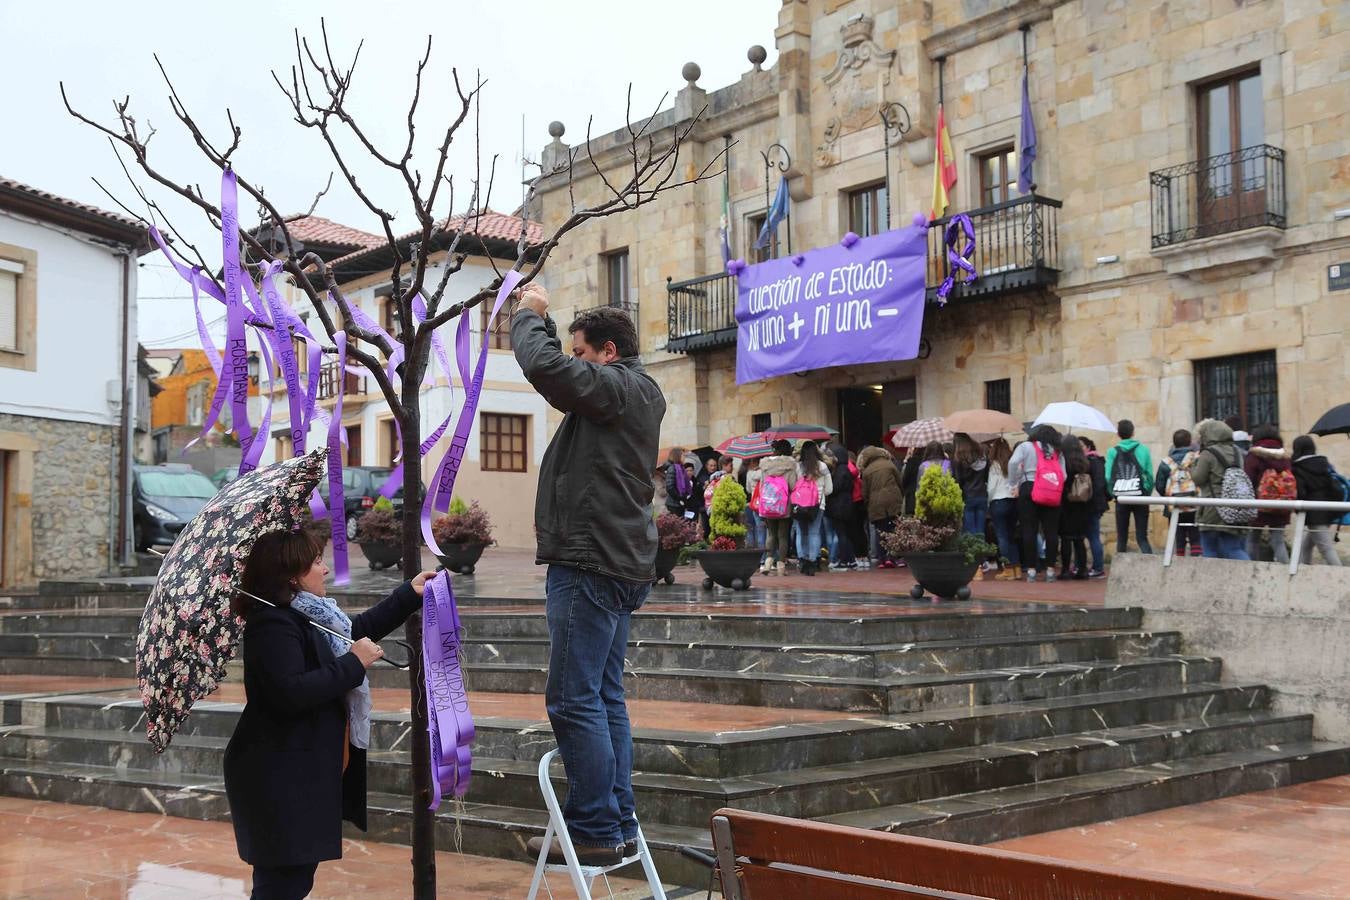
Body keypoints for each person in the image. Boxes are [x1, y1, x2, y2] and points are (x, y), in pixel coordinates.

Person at [512, 290, 665, 865]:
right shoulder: (629, 395)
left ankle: (595, 827)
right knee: (603, 697)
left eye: (581, 353)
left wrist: (531, 316)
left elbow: (544, 367)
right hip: (615, 559)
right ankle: (616, 821)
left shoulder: (621, 387)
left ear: (608, 352)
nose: (573, 362)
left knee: (574, 698)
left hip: (590, 561)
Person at [224, 529, 433, 900]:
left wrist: (409, 594)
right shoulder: (272, 624)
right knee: (282, 883)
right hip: (277, 776)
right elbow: (289, 692)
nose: (325, 570)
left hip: (299, 770)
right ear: (292, 574)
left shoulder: (305, 614)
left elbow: (354, 631)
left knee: (293, 879)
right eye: (317, 562)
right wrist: (354, 664)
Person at [1009, 424, 1065, 582]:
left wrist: (1014, 483)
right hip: (1051, 489)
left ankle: (1032, 570)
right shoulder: (1057, 450)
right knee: (1051, 532)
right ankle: (1050, 570)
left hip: (1029, 488)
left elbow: (1013, 463)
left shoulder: (1026, 446)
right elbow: (1064, 474)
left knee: (1029, 530)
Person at [1191, 419, 1251, 560]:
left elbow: (1198, 479)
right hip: (1233, 507)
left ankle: (1211, 580)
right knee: (1233, 548)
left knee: (1209, 548)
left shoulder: (1207, 454)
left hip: (1212, 508)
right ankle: (1249, 574)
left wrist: (1194, 465)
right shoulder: (1236, 451)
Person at [1291, 435, 1344, 566]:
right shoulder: (1324, 464)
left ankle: (1343, 579)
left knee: (1326, 549)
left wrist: (1297, 508)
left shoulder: (1298, 467)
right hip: (1328, 510)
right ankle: (1304, 573)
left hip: (1314, 514)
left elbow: (1301, 492)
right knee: (1305, 546)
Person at [1243, 424, 1292, 563]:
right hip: (1281, 503)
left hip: (1259, 503)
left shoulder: (1254, 455)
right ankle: (1286, 573)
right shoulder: (1285, 456)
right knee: (1278, 541)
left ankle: (1251, 571)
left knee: (1253, 539)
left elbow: (1248, 479)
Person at [1105, 420, 1154, 555]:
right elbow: (1150, 476)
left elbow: (1108, 477)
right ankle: (1149, 565)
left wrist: (1114, 493)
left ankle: (1120, 569)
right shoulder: (1143, 450)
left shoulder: (1112, 452)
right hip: (1140, 496)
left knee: (1122, 538)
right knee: (1142, 537)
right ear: (1133, 432)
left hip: (1122, 497)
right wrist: (1146, 492)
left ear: (1118, 434)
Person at [1154, 430, 1201, 558]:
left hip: (1174, 505)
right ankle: (1196, 563)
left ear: (1174, 443)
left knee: (1178, 536)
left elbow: (1159, 485)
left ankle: (1179, 562)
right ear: (1190, 442)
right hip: (1194, 503)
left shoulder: (1166, 462)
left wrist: (1169, 496)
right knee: (1195, 536)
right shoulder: (1196, 458)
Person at [758, 439, 799, 575]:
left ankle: (768, 563)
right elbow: (793, 486)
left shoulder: (765, 465)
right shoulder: (790, 465)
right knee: (783, 536)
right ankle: (781, 566)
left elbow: (763, 484)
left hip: (768, 504)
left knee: (771, 534)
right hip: (784, 506)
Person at [859, 445, 904, 569]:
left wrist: (867, 503)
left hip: (876, 503)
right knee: (895, 529)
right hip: (893, 500)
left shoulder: (867, 471)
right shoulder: (889, 464)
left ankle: (883, 558)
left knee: (881, 531)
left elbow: (865, 493)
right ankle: (895, 557)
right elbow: (899, 481)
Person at [1058, 436, 1097, 579]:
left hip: (1067, 504)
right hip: (1083, 504)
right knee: (1079, 539)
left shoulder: (1063, 462)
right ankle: (1082, 569)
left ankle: (1066, 569)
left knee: (1066, 539)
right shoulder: (1085, 462)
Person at [793, 440, 833, 576]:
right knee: (814, 533)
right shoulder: (822, 466)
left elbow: (794, 486)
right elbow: (829, 490)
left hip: (799, 505)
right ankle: (812, 561)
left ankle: (802, 560)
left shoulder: (798, 467)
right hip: (817, 505)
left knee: (800, 532)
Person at [985, 438, 1021, 580]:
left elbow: (992, 487)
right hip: (1013, 501)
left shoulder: (994, 465)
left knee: (1002, 536)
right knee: (1011, 536)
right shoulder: (1014, 463)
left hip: (998, 501)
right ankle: (1017, 568)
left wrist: (988, 501)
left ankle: (1007, 569)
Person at [824, 439, 857, 569]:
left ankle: (844, 559)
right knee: (844, 533)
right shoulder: (845, 469)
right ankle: (850, 559)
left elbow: (835, 488)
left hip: (839, 505)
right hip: (845, 504)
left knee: (841, 533)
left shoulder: (840, 471)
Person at [1079, 437, 1109, 576]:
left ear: (1089, 447)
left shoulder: (1092, 462)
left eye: (1082, 446)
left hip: (1092, 505)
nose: (1080, 449)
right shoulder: (1097, 461)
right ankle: (1093, 566)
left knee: (1093, 536)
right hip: (1094, 504)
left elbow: (1098, 484)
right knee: (1090, 536)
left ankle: (1098, 568)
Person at [951, 433, 989, 538]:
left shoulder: (959, 458)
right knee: (981, 529)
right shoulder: (982, 455)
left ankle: (973, 552)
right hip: (982, 494)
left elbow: (958, 480)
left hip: (968, 496)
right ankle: (982, 551)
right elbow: (986, 475)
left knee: (970, 530)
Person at [741, 456, 766, 552]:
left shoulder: (749, 473)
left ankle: (759, 556)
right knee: (766, 531)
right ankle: (767, 555)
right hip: (766, 504)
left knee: (757, 529)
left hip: (754, 504)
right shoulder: (765, 472)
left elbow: (747, 489)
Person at [663, 448, 691, 517]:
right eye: (683, 455)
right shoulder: (672, 468)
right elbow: (670, 487)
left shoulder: (681, 468)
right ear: (677, 456)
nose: (684, 458)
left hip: (679, 503)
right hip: (674, 504)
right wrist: (679, 497)